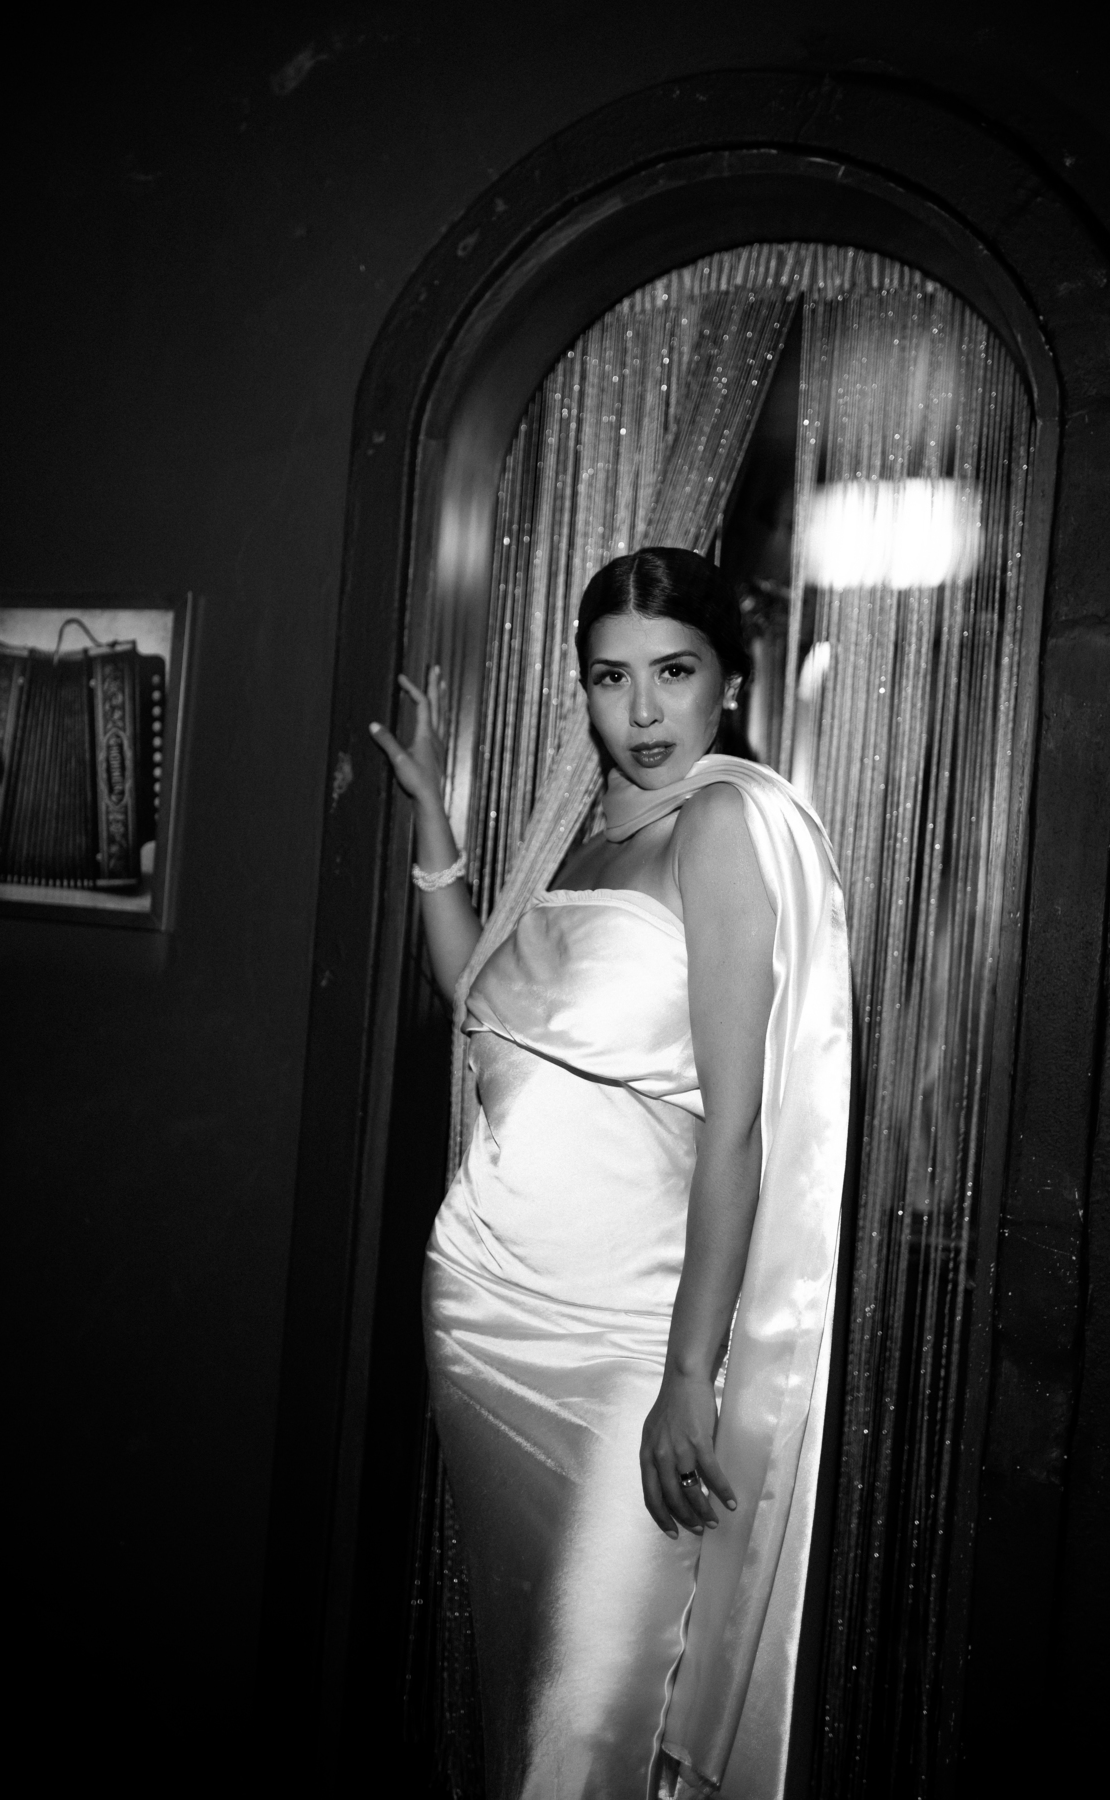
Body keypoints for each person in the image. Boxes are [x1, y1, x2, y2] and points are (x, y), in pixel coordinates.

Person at [369, 548, 850, 1800]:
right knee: (528, 1697)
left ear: (729, 681)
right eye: (609, 677)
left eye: (673, 673)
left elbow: (738, 1130)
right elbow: (487, 1000)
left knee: (590, 1722)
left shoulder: (724, 827)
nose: (641, 711)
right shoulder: (585, 833)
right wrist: (433, 820)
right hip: (488, 1324)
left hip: (625, 1348)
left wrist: (690, 1373)